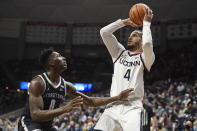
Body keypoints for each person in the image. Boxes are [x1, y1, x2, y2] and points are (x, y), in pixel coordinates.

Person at [18, 48, 134, 131]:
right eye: (59, 56)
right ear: (51, 63)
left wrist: (117, 97)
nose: (63, 57)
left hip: (47, 126)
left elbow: (91, 102)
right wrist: (65, 109)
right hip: (30, 123)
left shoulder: (66, 86)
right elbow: (35, 115)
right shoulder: (38, 83)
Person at [94, 7, 155, 131]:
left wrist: (147, 24)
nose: (130, 37)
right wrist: (123, 22)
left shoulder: (146, 57)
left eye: (135, 35)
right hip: (113, 106)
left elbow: (148, 44)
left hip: (132, 108)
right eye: (131, 35)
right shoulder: (119, 53)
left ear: (142, 40)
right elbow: (104, 32)